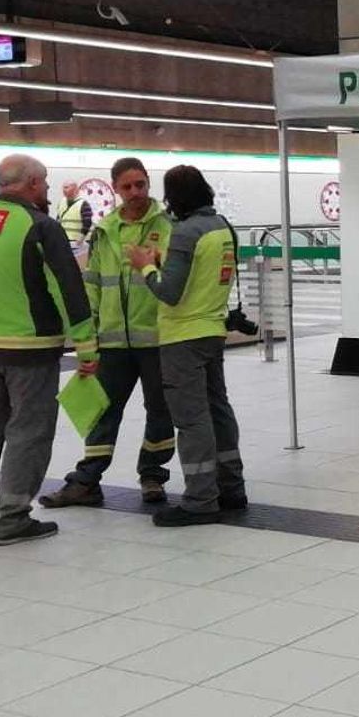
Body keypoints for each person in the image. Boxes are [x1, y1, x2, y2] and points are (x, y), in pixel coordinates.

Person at [0, 154, 98, 545]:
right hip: (30, 348)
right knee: (28, 432)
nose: (47, 189)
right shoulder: (41, 225)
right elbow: (67, 288)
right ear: (31, 183)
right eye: (44, 183)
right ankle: (13, 518)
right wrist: (86, 347)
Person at [40, 158, 176, 509]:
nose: (135, 192)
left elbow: (176, 280)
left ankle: (152, 476)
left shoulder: (169, 226)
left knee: (160, 411)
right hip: (112, 340)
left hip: (158, 339)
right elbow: (94, 286)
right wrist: (90, 336)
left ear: (149, 183)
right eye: (127, 186)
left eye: (141, 184)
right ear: (115, 188)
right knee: (103, 411)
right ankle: (87, 480)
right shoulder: (104, 230)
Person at [124, 165, 246, 526]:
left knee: (192, 420)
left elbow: (170, 293)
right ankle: (232, 488)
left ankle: (200, 499)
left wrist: (145, 267)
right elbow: (202, 275)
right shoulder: (223, 227)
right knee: (218, 410)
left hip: (183, 337)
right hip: (212, 330)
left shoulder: (185, 232)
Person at [54, 180, 94, 249]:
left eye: (66, 187)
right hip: (65, 240)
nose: (64, 190)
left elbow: (87, 223)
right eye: (63, 188)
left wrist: (81, 238)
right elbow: (58, 220)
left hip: (79, 242)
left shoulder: (83, 204)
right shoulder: (61, 202)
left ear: (75, 189)